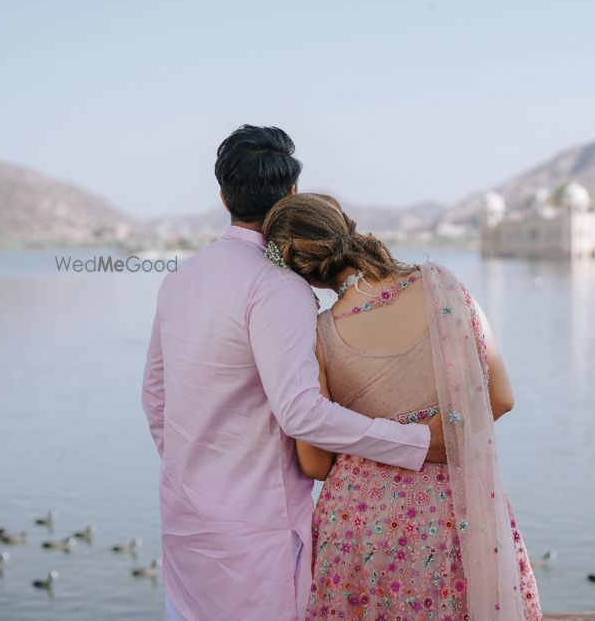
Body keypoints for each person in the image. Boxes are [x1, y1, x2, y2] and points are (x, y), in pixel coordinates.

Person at [141, 126, 447, 621]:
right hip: (257, 531)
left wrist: (196, 472)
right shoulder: (276, 287)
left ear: (223, 197)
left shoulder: (179, 279)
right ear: (291, 194)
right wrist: (413, 442)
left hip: (185, 521)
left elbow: (156, 399)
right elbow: (301, 413)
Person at [262, 193, 542, 620]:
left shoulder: (318, 336)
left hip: (358, 531)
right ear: (346, 228)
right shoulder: (441, 285)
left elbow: (316, 464)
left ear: (300, 271)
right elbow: (501, 398)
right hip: (454, 518)